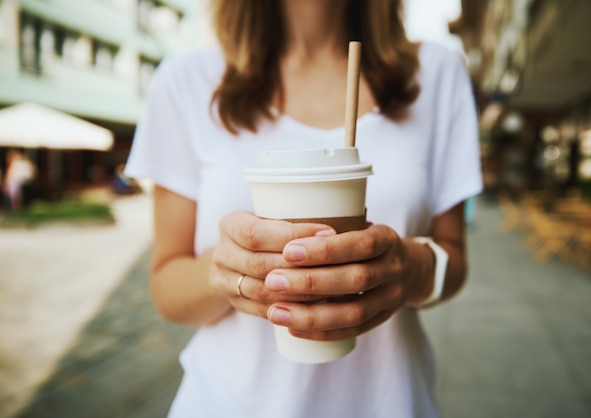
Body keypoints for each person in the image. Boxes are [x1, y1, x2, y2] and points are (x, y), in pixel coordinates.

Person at [125, 0, 482, 416]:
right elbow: (166, 285)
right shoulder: (185, 80)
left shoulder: (437, 73)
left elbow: (453, 259)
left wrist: (410, 267)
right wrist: (225, 269)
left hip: (388, 402)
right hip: (226, 402)